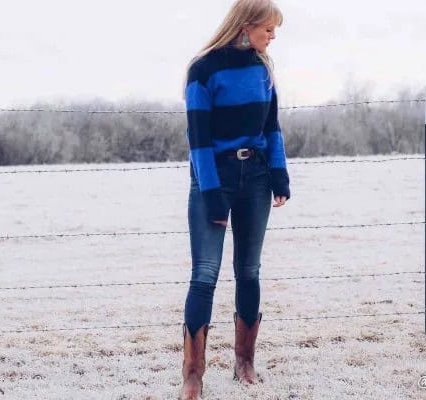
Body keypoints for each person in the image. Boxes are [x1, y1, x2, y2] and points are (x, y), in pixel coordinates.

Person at [179, 0, 289, 398]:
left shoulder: (262, 69)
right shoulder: (203, 69)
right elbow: (199, 139)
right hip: (216, 179)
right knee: (205, 274)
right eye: (269, 28)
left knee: (249, 270)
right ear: (247, 24)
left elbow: (271, 128)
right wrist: (211, 194)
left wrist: (279, 174)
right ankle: (193, 374)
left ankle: (245, 362)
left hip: (256, 178)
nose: (273, 36)